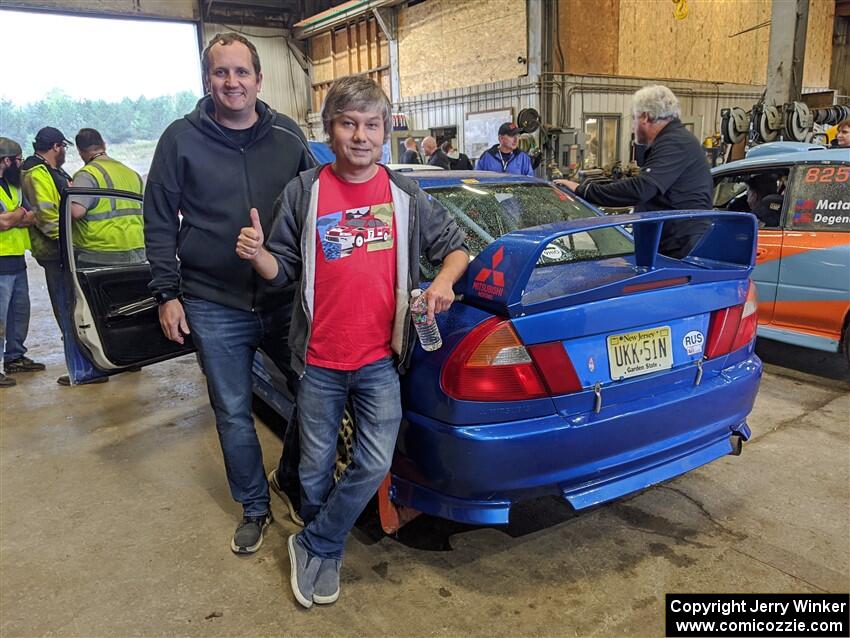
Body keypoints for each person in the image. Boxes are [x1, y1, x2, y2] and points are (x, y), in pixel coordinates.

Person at [236, 75, 468, 608]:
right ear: (330, 130)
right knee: (314, 468)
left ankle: (316, 542)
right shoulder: (303, 192)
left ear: (386, 132)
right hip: (319, 360)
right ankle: (326, 553)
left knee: (374, 460)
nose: (360, 136)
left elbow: (456, 251)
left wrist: (441, 281)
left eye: (371, 125)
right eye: (348, 124)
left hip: (380, 361)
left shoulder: (404, 194)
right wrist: (256, 255)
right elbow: (281, 270)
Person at [144, 32, 314, 556]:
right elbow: (157, 219)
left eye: (242, 72)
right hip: (212, 301)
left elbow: (318, 208)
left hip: (282, 297)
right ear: (207, 80)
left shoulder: (288, 137)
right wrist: (166, 293)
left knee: (315, 395)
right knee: (233, 410)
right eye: (222, 73)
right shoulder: (179, 139)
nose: (232, 82)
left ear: (259, 80)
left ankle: (287, 476)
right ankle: (254, 507)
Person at [556, 85, 714, 258]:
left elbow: (642, 189)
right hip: (671, 246)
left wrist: (584, 190)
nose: (632, 127)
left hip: (681, 251)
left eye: (633, 118)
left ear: (645, 117)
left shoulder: (675, 142)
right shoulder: (674, 140)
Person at [21, 127, 105, 386]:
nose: (66, 152)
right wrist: (68, 241)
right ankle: (80, 371)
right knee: (69, 310)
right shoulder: (36, 173)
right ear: (56, 146)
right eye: (64, 147)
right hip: (58, 252)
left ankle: (92, 364)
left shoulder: (50, 171)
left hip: (67, 250)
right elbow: (47, 216)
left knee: (78, 308)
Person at [0, 137, 44, 388]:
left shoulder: (13, 186)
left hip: (17, 259)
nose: (21, 165)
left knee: (19, 313)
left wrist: (14, 216)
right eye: (18, 160)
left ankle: (14, 357)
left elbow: (33, 216)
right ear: (6, 161)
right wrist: (17, 215)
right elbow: (4, 222)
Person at [70, 128, 145, 267]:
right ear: (104, 144)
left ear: (80, 151)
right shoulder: (132, 174)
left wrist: (67, 194)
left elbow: (76, 212)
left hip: (100, 252)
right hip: (137, 248)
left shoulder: (87, 174)